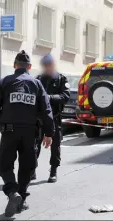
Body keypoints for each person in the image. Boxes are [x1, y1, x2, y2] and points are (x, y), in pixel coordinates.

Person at [0, 50, 54, 217]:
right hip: (30, 133)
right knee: (27, 166)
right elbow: (46, 110)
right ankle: (21, 199)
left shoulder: (5, 82)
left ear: (15, 66)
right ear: (29, 67)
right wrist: (49, 133)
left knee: (4, 165)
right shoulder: (36, 84)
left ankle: (12, 193)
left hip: (9, 132)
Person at [33, 53, 70, 183]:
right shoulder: (38, 79)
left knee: (55, 147)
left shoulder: (61, 79)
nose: (47, 67)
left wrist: (48, 98)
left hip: (54, 118)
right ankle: (33, 169)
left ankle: (53, 170)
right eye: (45, 65)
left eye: (49, 65)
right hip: (39, 119)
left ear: (53, 65)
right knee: (34, 145)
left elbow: (65, 96)